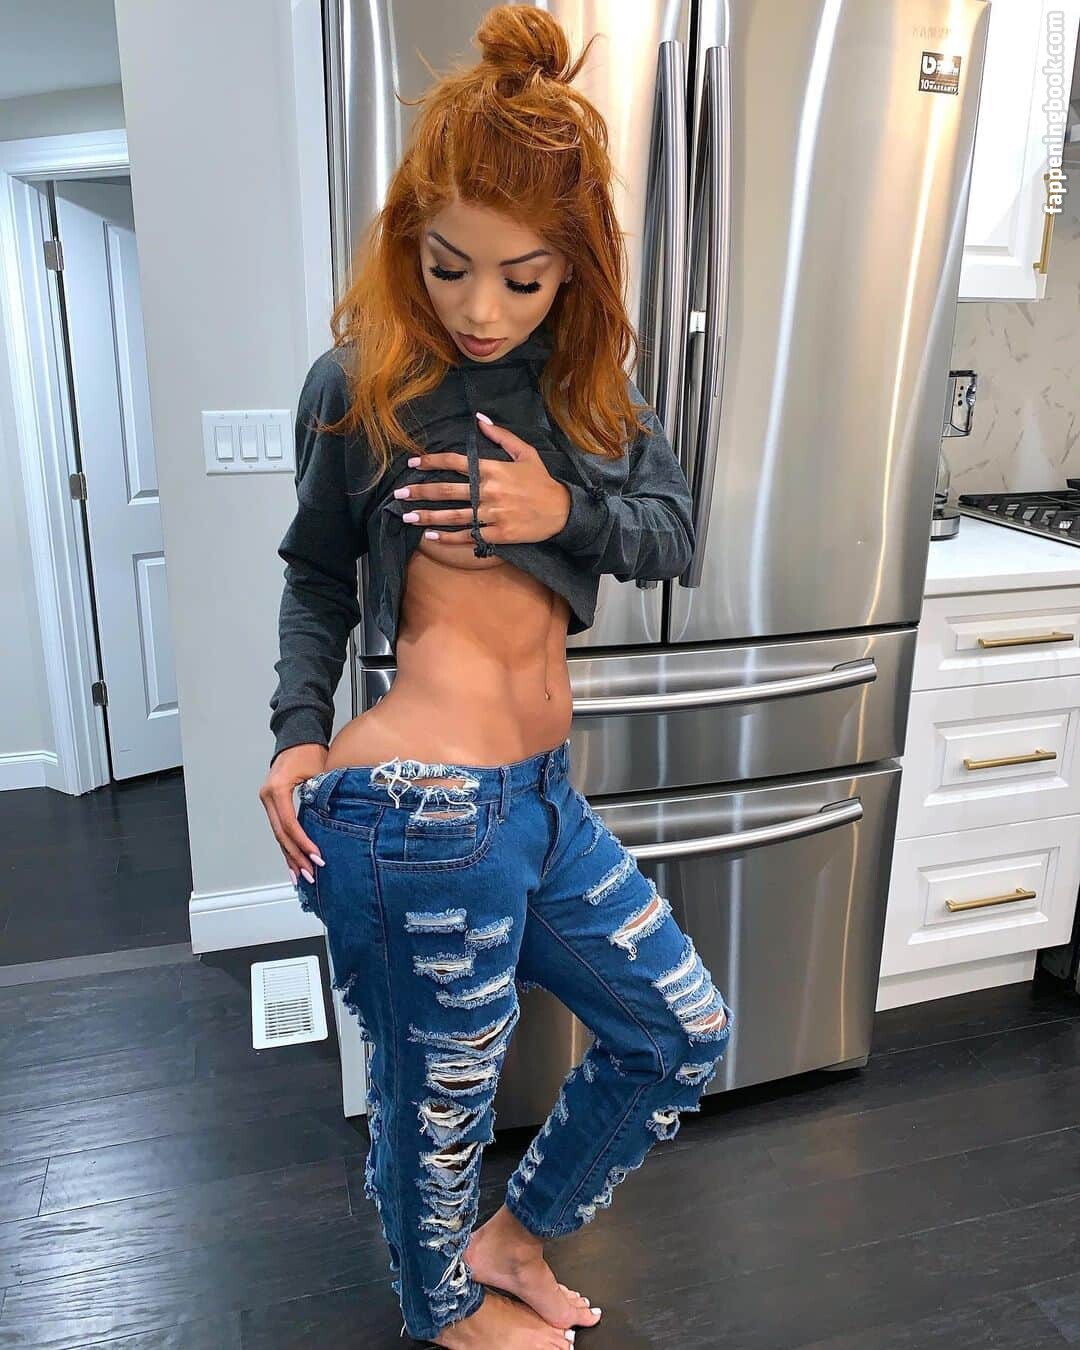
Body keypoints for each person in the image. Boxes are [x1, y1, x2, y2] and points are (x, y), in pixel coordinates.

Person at [259, 7, 734, 1346]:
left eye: (522, 279)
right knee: (439, 1099)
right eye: (450, 267)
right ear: (409, 240)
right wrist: (296, 733)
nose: (481, 309)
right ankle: (444, 1307)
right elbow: (314, 575)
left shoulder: (587, 391)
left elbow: (673, 537)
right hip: (416, 810)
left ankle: (508, 1237)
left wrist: (559, 511)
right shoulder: (359, 386)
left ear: (573, 267)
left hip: (540, 798)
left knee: (679, 1031)